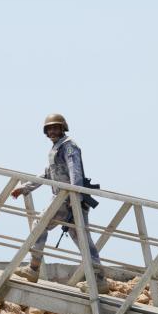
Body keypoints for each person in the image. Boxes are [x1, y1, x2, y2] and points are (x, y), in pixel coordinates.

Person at [9, 113, 107, 293]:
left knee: (40, 225)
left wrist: (74, 199)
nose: (53, 131)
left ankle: (33, 269)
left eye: (56, 127)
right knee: (82, 239)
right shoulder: (56, 148)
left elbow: (75, 174)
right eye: (50, 128)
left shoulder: (69, 147)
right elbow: (48, 174)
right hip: (67, 199)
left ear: (63, 128)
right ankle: (98, 280)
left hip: (66, 198)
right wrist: (25, 188)